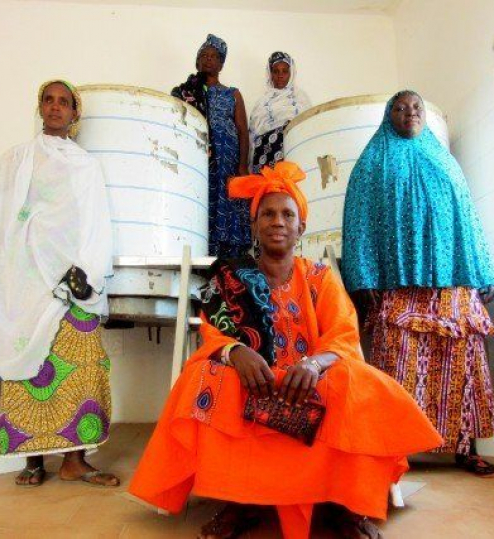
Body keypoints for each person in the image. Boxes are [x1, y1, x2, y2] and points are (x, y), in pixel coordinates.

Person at [128, 161, 442, 539]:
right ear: (254, 226)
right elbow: (214, 334)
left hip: (310, 380)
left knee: (359, 383)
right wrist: (235, 352)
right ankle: (240, 502)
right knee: (204, 379)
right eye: (268, 214)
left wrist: (313, 365)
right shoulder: (232, 278)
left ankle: (344, 504)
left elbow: (343, 336)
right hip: (255, 381)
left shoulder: (320, 278)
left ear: (300, 227)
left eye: (287, 214)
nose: (278, 221)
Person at [0, 80, 119, 488]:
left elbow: (94, 222)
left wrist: (86, 272)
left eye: (64, 102)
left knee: (81, 364)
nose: (56, 107)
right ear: (40, 107)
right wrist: (9, 262)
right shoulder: (17, 159)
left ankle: (74, 460)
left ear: (74, 113)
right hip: (27, 278)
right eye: (49, 100)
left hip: (72, 280)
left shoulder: (85, 165)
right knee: (27, 360)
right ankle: (32, 460)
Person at [341, 90, 494, 477]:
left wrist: (483, 271)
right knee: (397, 365)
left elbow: (467, 216)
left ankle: (466, 448)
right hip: (398, 285)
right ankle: (396, 450)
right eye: (400, 108)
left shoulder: (444, 160)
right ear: (388, 116)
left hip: (453, 284)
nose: (409, 113)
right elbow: (358, 221)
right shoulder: (372, 162)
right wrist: (363, 277)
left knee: (463, 362)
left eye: (416, 107)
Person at [171, 34, 251, 257]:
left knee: (228, 202)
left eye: (214, 56)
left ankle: (228, 256)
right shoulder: (185, 93)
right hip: (199, 163)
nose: (208, 59)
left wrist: (242, 167)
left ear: (221, 64)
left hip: (228, 163)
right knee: (202, 200)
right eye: (203, 55)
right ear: (197, 62)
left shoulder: (233, 94)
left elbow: (243, 131)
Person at [248, 51, 311, 172]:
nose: (280, 75)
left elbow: (307, 130)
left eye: (285, 71)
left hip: (292, 156)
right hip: (264, 159)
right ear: (270, 74)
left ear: (291, 73)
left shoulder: (301, 99)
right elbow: (252, 138)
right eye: (276, 71)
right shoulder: (261, 103)